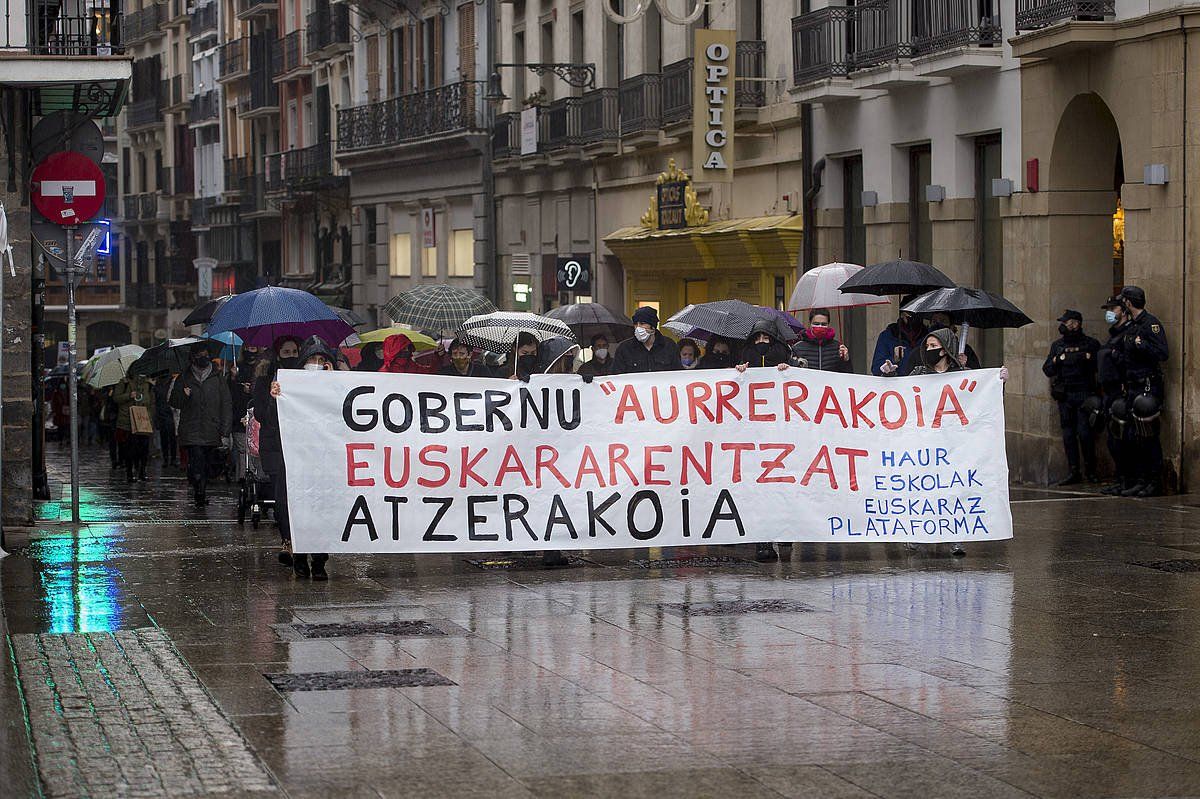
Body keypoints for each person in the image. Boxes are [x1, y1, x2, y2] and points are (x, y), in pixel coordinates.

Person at [908, 328, 1007, 556]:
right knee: (922, 488)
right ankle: (915, 532)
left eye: (934, 346)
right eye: (928, 346)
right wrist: (888, 376)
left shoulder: (963, 374)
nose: (929, 350)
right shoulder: (918, 373)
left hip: (955, 444)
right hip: (924, 441)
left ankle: (954, 536)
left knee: (952, 489)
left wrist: (998, 381)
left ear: (945, 348)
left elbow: (983, 400)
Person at [265, 336, 332, 580]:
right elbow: (271, 419)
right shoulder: (286, 383)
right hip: (294, 455)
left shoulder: (333, 383)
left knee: (321, 507)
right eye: (312, 359)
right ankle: (301, 555)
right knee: (295, 506)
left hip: (323, 457)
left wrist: (336, 380)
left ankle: (320, 559)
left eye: (321, 359)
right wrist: (275, 398)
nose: (315, 363)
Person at [734, 319, 794, 563]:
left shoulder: (787, 360)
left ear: (774, 340)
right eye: (757, 338)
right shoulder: (743, 361)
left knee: (781, 488)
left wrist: (789, 370)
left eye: (766, 338)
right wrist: (738, 374)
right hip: (753, 439)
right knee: (758, 490)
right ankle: (763, 541)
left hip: (782, 438)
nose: (761, 343)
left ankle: (785, 534)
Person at [1115, 286, 1168, 497]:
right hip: (1131, 385)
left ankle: (1153, 481)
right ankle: (1139, 479)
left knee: (1147, 436)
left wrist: (1143, 345)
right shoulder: (1131, 326)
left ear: (1128, 302)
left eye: (1123, 302)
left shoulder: (1150, 324)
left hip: (1147, 386)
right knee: (1130, 436)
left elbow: (1163, 353)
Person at [254, 336, 302, 569]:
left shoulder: (307, 377)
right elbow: (261, 415)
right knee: (282, 497)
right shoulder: (265, 378)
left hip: (301, 445)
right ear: (277, 353)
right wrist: (273, 398)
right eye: (286, 352)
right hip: (275, 445)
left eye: (295, 351)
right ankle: (288, 541)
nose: (291, 355)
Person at [1042, 310, 1101, 485]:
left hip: (1084, 394)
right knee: (1068, 435)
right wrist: (1057, 360)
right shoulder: (1058, 346)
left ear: (1076, 323)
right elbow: (1047, 369)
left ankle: (1091, 471)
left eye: (1067, 322)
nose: (1064, 326)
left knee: (1085, 434)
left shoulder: (1090, 344)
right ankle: (1073, 471)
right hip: (1065, 396)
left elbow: (1100, 368)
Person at [170, 345, 232, 507]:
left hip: (212, 428)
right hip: (191, 429)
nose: (203, 358)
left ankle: (200, 484)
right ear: (193, 358)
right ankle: (199, 490)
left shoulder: (218, 378)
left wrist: (225, 430)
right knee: (197, 459)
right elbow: (174, 402)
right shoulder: (184, 377)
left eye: (205, 354)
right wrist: (183, 395)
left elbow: (226, 404)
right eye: (199, 355)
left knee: (206, 463)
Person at [1098, 296, 1133, 495]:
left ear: (1124, 309)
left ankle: (1127, 479)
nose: (1110, 312)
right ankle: (1121, 479)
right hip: (1109, 392)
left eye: (1113, 308)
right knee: (1113, 439)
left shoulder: (1127, 333)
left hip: (1121, 392)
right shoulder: (1114, 334)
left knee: (1122, 439)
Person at [112, 371, 155, 483]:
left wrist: (150, 419)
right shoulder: (124, 383)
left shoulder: (148, 385)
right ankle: (130, 472)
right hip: (128, 420)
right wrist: (129, 395)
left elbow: (152, 403)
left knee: (144, 449)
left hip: (143, 420)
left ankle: (142, 471)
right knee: (130, 448)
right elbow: (116, 398)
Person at [612, 306, 679, 373]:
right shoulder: (624, 349)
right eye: (635, 324)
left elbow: (677, 373)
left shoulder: (669, 346)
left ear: (653, 327)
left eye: (642, 323)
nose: (638, 327)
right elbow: (617, 376)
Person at [872, 297, 926, 376]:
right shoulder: (888, 336)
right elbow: (876, 369)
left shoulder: (928, 336)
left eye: (917, 314)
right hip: (897, 385)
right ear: (901, 314)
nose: (913, 319)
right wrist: (893, 359)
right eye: (909, 315)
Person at [153, 374, 178, 467]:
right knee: (166, 437)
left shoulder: (172, 382)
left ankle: (171, 458)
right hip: (162, 413)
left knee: (171, 438)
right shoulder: (158, 385)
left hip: (169, 413)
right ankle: (168, 458)